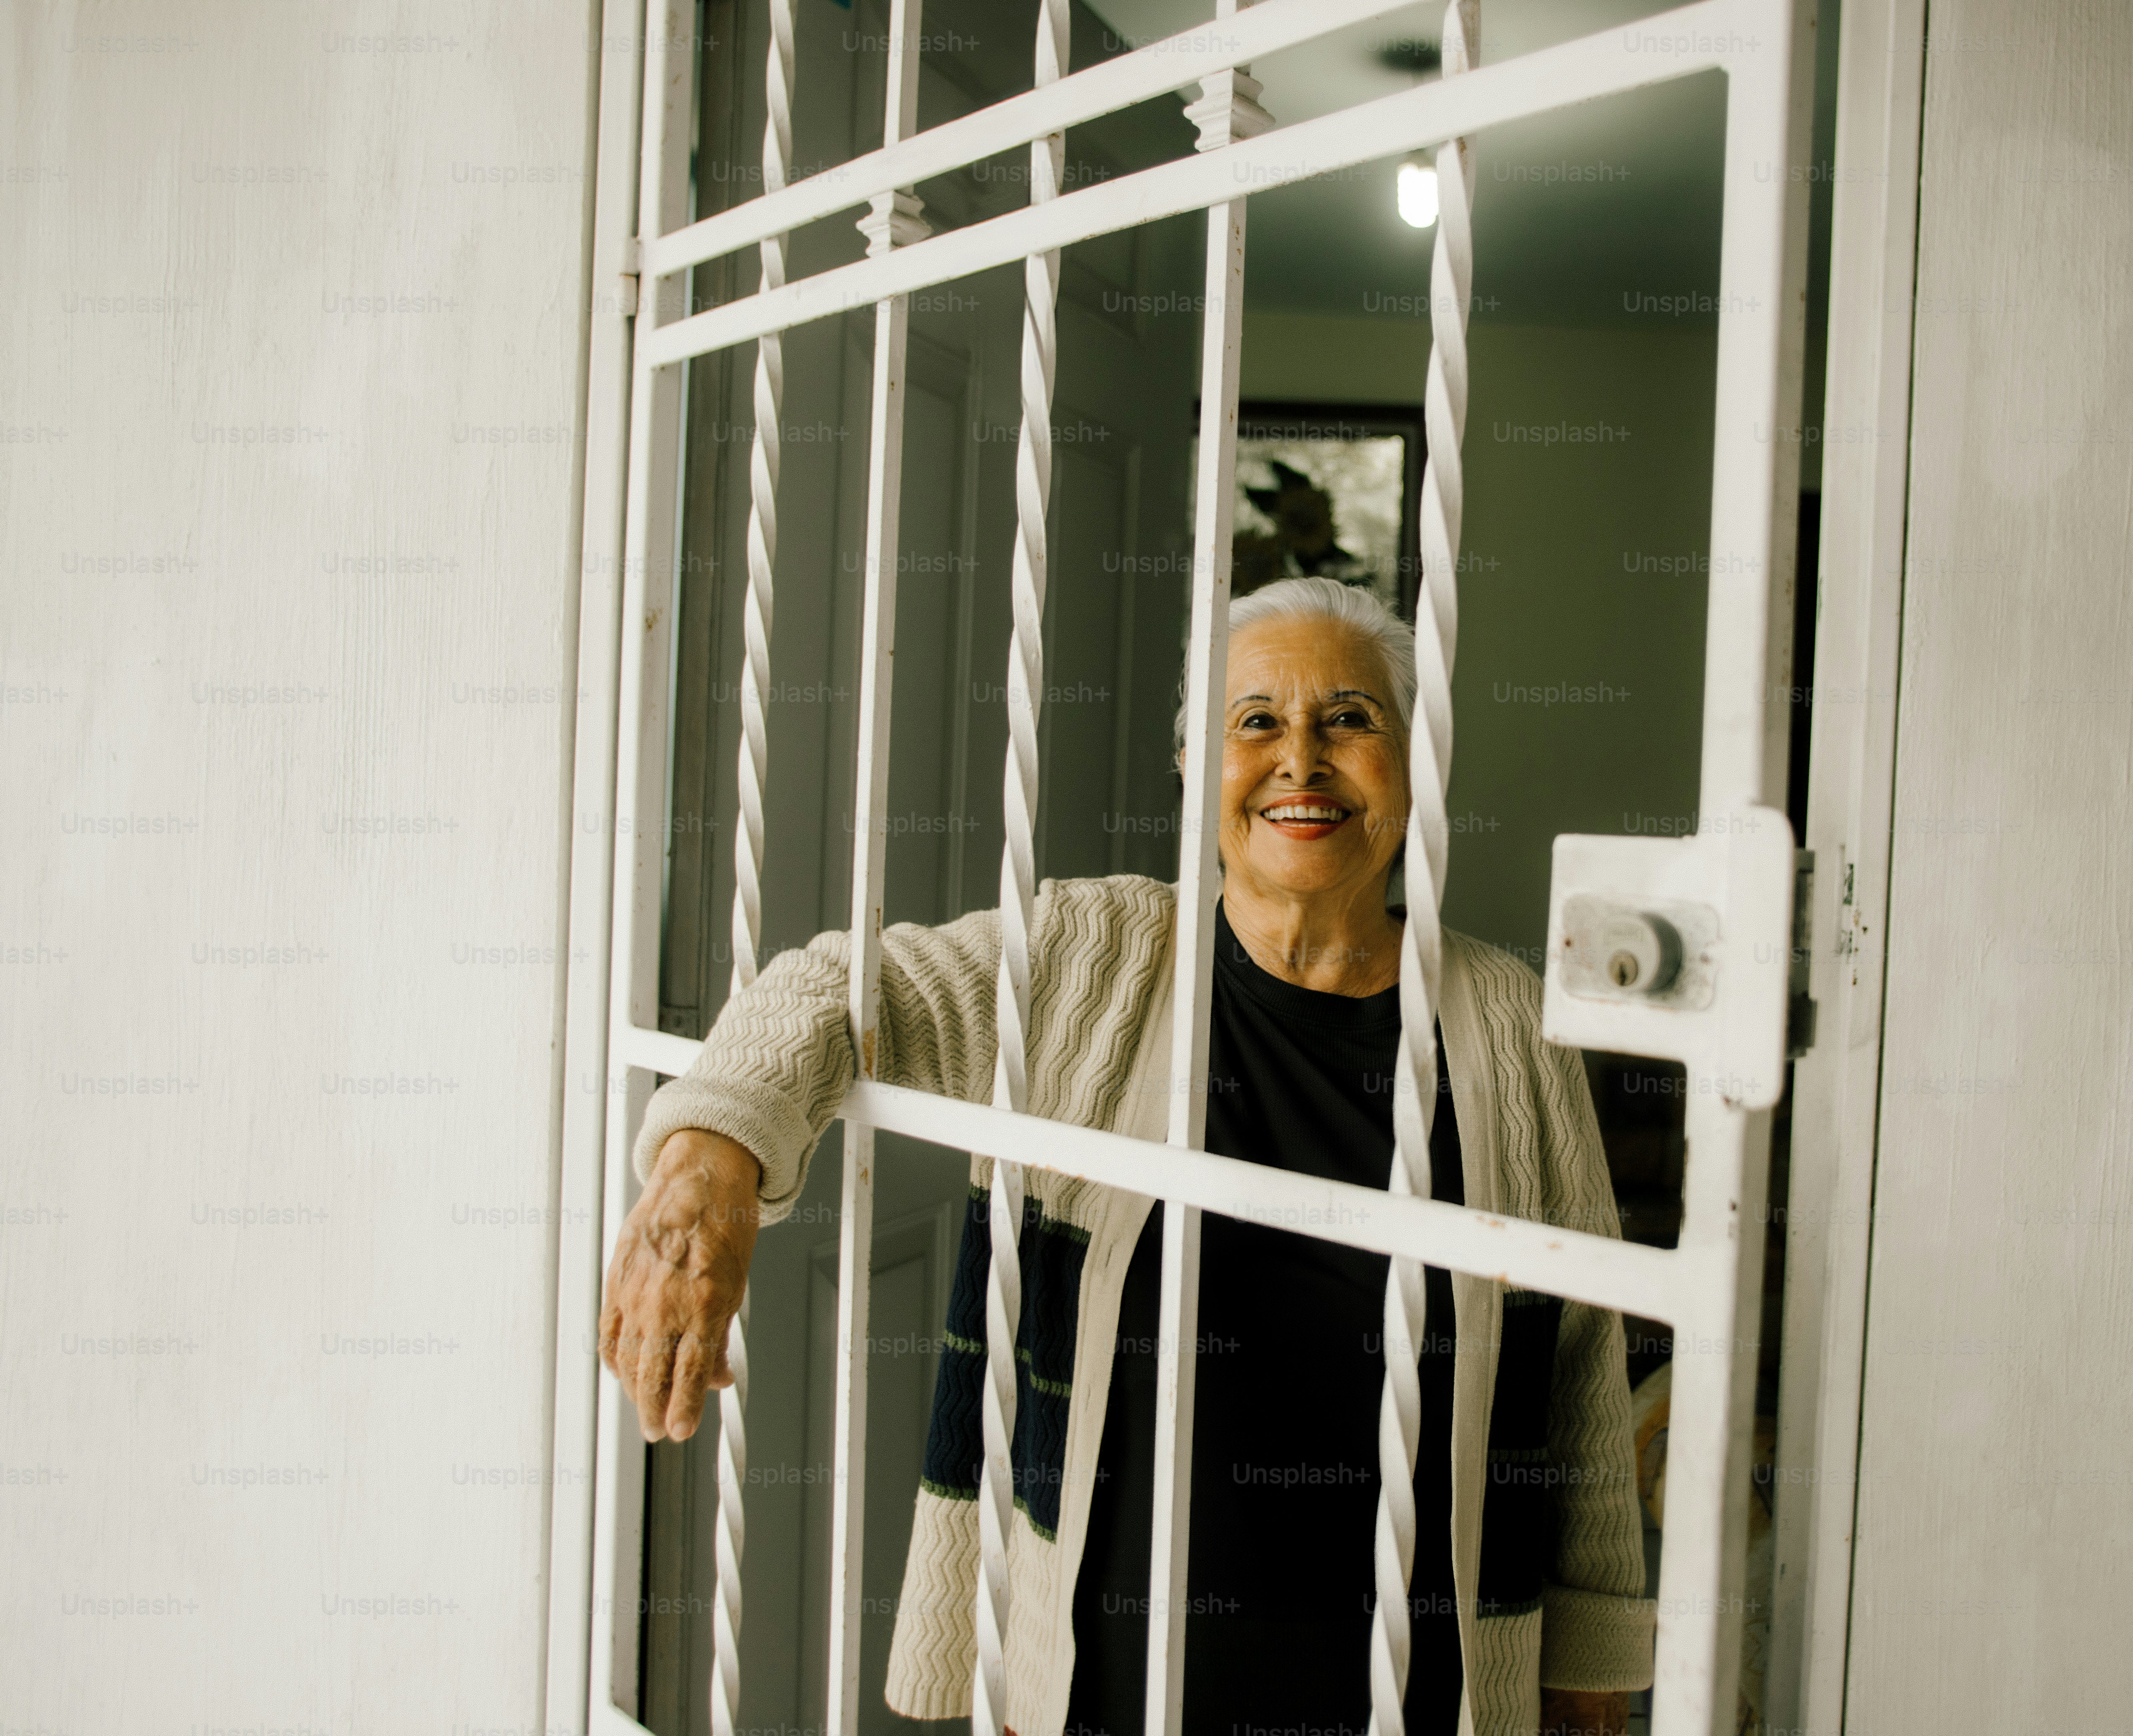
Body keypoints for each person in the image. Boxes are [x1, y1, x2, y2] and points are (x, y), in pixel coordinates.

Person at [598, 576, 1651, 1735]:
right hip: (1107, 1675)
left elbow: (1582, 1363)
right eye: (1255, 722)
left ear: (1415, 764)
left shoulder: (1509, 1022)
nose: (1301, 758)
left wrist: (1592, 1668)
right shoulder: (1089, 957)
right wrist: (705, 1172)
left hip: (1419, 1683)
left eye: (1349, 719)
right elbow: (833, 992)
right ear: (1199, 770)